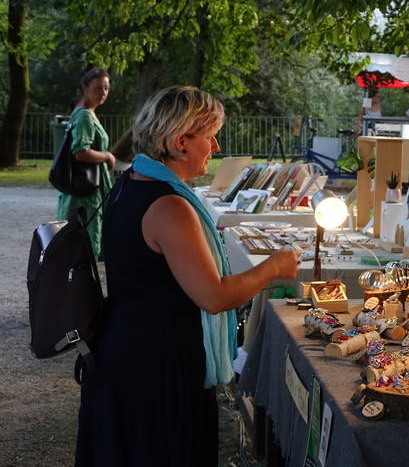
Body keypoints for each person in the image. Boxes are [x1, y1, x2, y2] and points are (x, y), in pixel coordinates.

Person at [75, 86, 301, 465]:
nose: (215, 147)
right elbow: (215, 296)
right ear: (181, 142)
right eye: (210, 137)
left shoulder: (133, 181)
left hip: (127, 352)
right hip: (155, 369)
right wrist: (274, 267)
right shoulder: (170, 205)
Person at [55, 67, 115, 259]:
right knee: (86, 242)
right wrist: (107, 156)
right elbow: (80, 152)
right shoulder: (84, 116)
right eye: (98, 88)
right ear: (85, 87)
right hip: (86, 190)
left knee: (81, 243)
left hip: (87, 188)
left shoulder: (85, 113)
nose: (103, 93)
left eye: (106, 88)